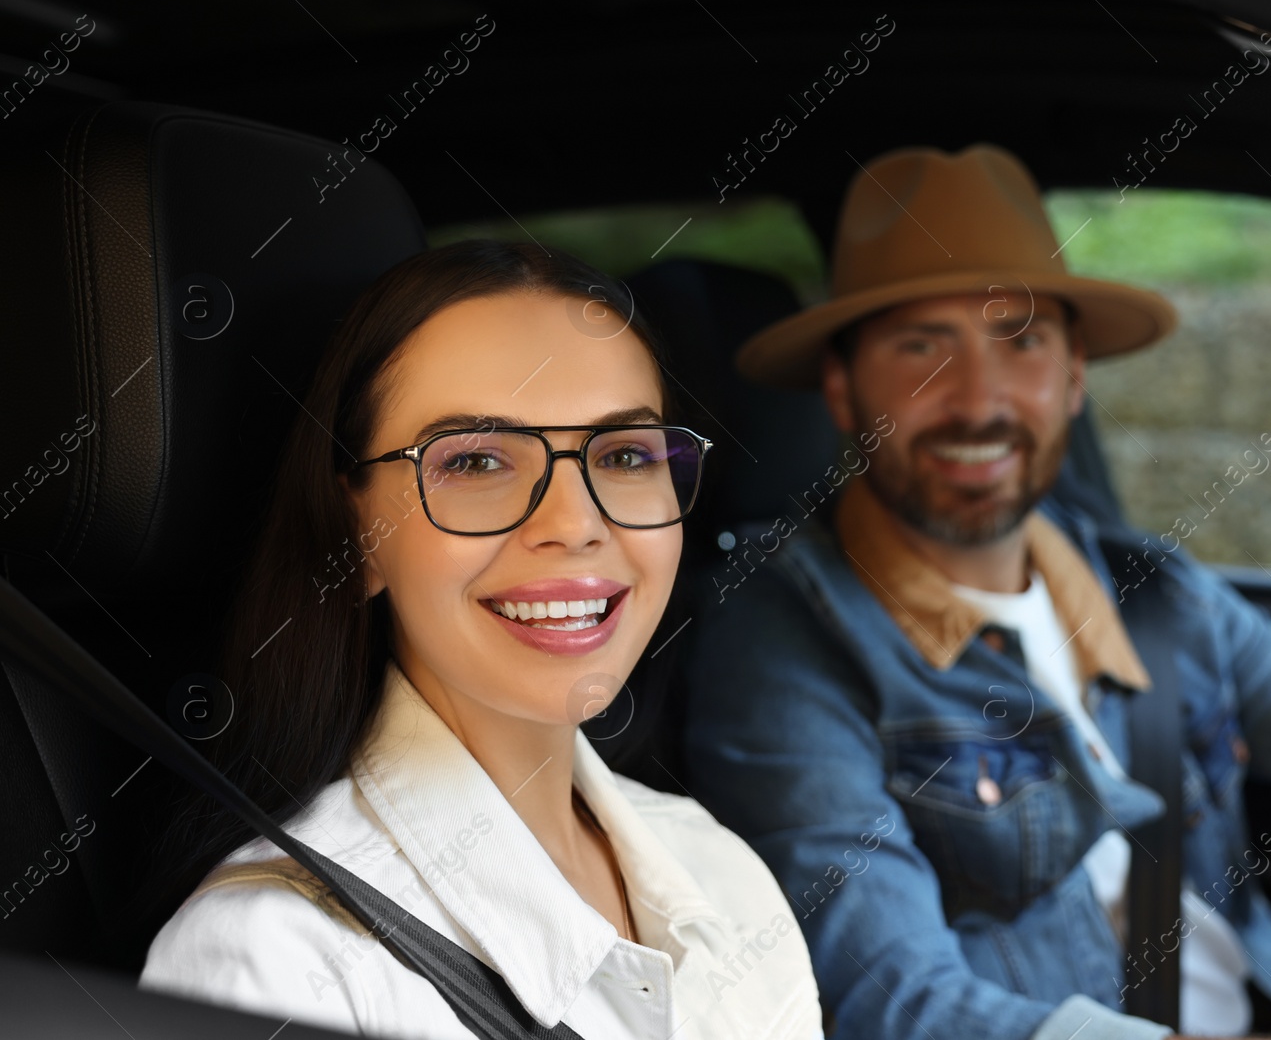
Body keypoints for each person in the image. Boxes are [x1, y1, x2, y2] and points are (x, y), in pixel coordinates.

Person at [681, 145, 1271, 1040]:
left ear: (1074, 377)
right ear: (841, 392)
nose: (977, 397)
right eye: (921, 346)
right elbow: (900, 1002)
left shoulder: (1146, 588)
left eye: (1022, 340)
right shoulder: (787, 636)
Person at [139, 240, 822, 1040]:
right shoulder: (276, 960)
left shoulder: (722, 871)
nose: (575, 524)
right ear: (355, 534)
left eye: (626, 453)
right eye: (476, 460)